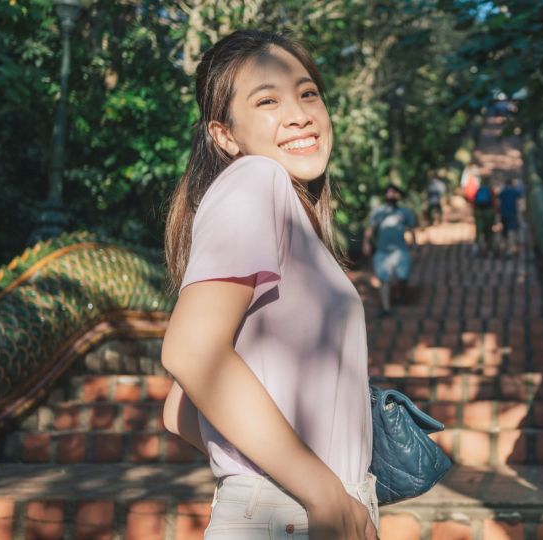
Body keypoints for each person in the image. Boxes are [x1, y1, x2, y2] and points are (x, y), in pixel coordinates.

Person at [159, 30, 378, 540]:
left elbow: (178, 410)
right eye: (267, 100)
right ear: (224, 135)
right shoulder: (257, 179)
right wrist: (319, 488)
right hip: (296, 512)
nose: (301, 113)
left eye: (308, 93)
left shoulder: (288, 216)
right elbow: (191, 352)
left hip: (297, 508)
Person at [363, 185, 417, 317]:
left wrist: (414, 246)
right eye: (389, 192)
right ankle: (386, 307)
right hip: (382, 251)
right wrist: (366, 243)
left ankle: (400, 295)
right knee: (384, 279)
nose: (391, 195)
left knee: (402, 277)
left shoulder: (404, 212)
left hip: (400, 250)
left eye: (394, 193)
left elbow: (411, 230)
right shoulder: (378, 212)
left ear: (399, 196)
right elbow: (370, 229)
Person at [496, 178, 523, 257]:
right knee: (511, 232)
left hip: (503, 214)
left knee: (504, 233)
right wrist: (520, 217)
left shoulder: (502, 192)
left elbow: (498, 204)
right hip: (512, 215)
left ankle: (502, 249)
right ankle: (510, 250)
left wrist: (497, 216)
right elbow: (519, 204)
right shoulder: (516, 192)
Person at [471, 179, 495, 256]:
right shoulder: (490, 190)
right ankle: (490, 249)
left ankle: (476, 248)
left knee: (478, 231)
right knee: (489, 231)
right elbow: (494, 201)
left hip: (479, 212)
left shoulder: (479, 190)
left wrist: (475, 212)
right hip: (488, 212)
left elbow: (474, 201)